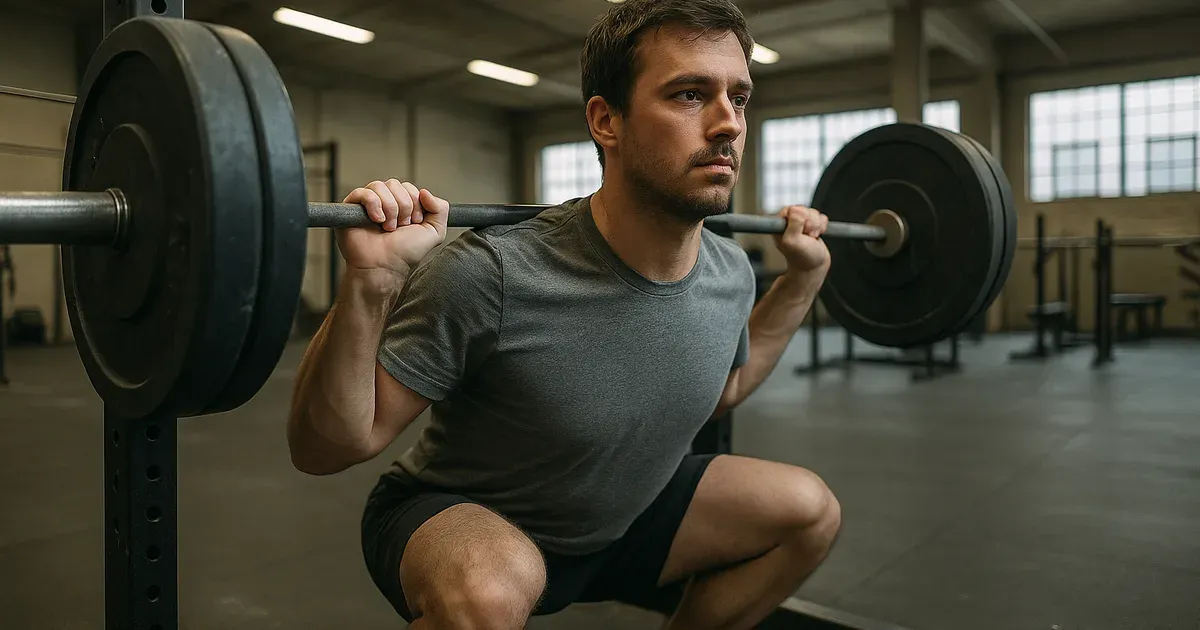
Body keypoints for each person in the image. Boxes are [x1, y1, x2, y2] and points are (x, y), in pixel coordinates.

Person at [287, 0, 842, 627]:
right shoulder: (491, 271)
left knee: (809, 511)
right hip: (477, 520)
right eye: (689, 95)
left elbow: (724, 390)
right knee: (488, 591)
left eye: (738, 99)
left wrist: (802, 282)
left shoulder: (731, 272)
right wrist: (370, 282)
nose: (728, 125)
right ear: (607, 120)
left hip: (626, 516)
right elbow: (327, 447)